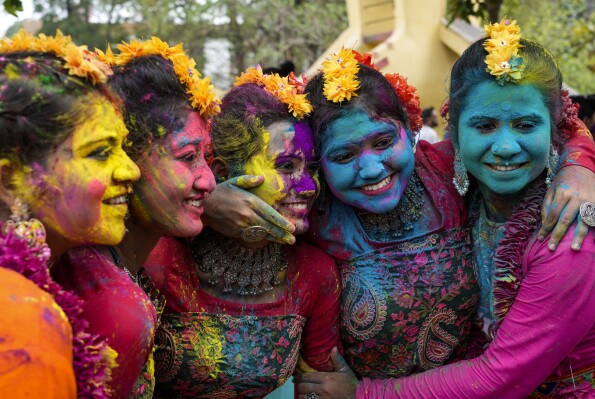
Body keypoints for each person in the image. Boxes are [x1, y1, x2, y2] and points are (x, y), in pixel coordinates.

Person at [202, 47, 595, 399]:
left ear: (409, 131)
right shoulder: (310, 207)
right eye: (343, 155)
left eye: (382, 141)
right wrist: (211, 202)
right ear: (318, 165)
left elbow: (540, 121)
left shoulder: (444, 171)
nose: (372, 167)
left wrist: (580, 168)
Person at [143, 66, 342, 398]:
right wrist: (207, 202)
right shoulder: (161, 259)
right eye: (286, 166)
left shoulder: (316, 273)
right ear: (222, 171)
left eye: (313, 169)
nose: (308, 187)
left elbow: (318, 388)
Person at [51, 37, 220, 398]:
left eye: (208, 157)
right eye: (188, 157)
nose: (210, 181)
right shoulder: (112, 304)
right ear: (128, 160)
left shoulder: (127, 265)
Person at [0, 30, 141, 398]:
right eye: (99, 152)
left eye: (123, 148)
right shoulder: (20, 320)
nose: (131, 170)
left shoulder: (60, 272)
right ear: (10, 180)